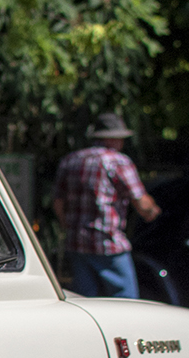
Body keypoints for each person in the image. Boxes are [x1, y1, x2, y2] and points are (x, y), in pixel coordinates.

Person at [52, 112, 162, 298]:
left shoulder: (71, 160)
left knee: (84, 300)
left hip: (76, 243)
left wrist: (68, 226)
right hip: (107, 243)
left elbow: (57, 202)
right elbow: (141, 203)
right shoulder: (118, 161)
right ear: (113, 139)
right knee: (125, 299)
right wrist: (153, 211)